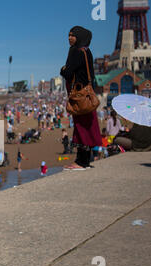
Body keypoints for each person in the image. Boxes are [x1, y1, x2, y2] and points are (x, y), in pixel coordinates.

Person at [60, 26, 102, 171]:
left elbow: (68, 72)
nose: (70, 38)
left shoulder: (76, 51)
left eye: (73, 35)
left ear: (80, 37)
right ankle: (83, 160)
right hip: (87, 95)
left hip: (79, 97)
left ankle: (81, 162)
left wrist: (63, 70)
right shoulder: (87, 51)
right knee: (87, 127)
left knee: (81, 127)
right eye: (69, 35)